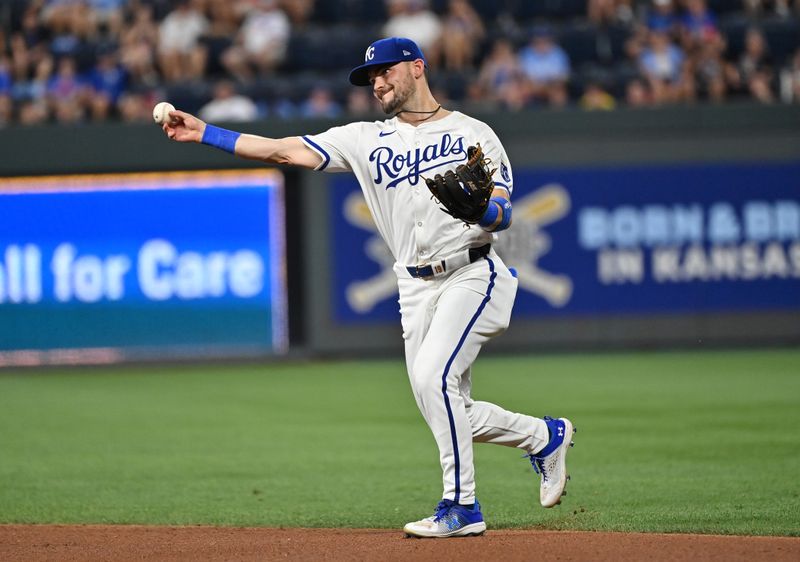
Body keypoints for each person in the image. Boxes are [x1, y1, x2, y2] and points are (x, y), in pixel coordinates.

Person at [159, 36, 575, 539]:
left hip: (472, 272)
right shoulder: (364, 139)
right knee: (445, 403)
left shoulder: (473, 132)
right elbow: (283, 150)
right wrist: (207, 133)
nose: (377, 82)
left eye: (387, 71)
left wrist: (481, 209)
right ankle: (543, 437)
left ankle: (462, 507)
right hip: (412, 286)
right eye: (370, 77)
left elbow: (504, 211)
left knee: (430, 379)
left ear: (417, 68)